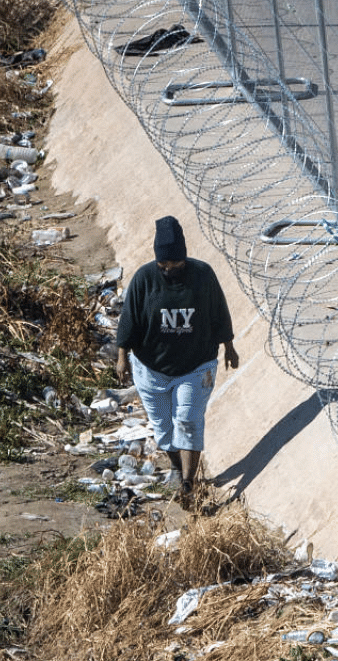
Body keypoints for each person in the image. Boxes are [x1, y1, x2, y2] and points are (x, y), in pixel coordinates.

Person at [115, 216, 239, 510]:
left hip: (196, 365)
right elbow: (128, 320)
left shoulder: (203, 275)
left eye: (176, 265)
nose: (170, 271)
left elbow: (219, 312)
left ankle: (188, 483)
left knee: (188, 420)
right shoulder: (144, 279)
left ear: (184, 257)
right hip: (151, 367)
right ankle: (175, 466)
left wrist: (229, 347)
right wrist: (121, 357)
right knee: (162, 427)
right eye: (164, 266)